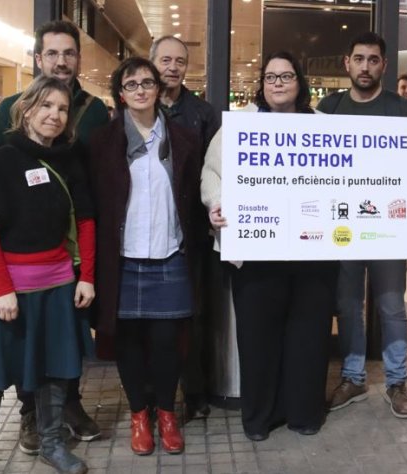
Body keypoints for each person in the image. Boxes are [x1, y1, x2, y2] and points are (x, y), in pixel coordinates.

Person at [0, 20, 110, 453]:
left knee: (66, 335)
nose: (61, 61)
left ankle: (67, 406)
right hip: (20, 253)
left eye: (68, 53)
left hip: (70, 249)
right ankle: (30, 415)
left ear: (78, 59)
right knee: (27, 338)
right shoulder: (11, 107)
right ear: (38, 59)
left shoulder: (94, 110)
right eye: (52, 53)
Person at [0, 76, 95, 474]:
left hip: (57, 287)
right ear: (27, 109)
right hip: (6, 290)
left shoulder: (70, 158)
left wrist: (87, 276)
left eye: (63, 108)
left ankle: (52, 444)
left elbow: (86, 221)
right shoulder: (2, 158)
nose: (55, 114)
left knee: (55, 370)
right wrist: (3, 289)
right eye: (46, 105)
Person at [201, 51, 338, 441]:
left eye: (286, 76)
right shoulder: (238, 127)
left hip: (313, 253)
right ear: (261, 85)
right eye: (271, 77)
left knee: (309, 335)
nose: (278, 83)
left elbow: (361, 166)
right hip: (257, 253)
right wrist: (216, 205)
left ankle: (304, 413)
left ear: (300, 82)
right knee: (258, 338)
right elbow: (211, 174)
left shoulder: (325, 127)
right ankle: (260, 417)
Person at [86, 57, 206, 455]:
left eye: (147, 82)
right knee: (129, 343)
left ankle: (166, 414)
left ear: (158, 89)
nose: (140, 90)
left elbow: (195, 198)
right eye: (131, 84)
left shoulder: (184, 139)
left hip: (171, 253)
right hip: (122, 258)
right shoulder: (102, 142)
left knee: (168, 342)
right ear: (121, 94)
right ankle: (139, 414)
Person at [318, 32, 407, 419]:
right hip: (342, 225)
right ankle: (353, 377)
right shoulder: (329, 108)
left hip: (388, 226)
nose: (365, 66)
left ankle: (397, 381)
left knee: (391, 306)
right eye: (358, 59)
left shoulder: (402, 111)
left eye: (373, 60)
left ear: (384, 65)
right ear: (347, 63)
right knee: (347, 306)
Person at [150, 35, 227, 418]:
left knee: (194, 315)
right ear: (152, 62)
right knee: (152, 317)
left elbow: (217, 169)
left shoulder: (203, 113)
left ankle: (195, 393)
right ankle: (154, 395)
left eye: (180, 61)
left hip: (194, 232)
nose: (173, 67)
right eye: (166, 60)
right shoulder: (139, 109)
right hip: (149, 230)